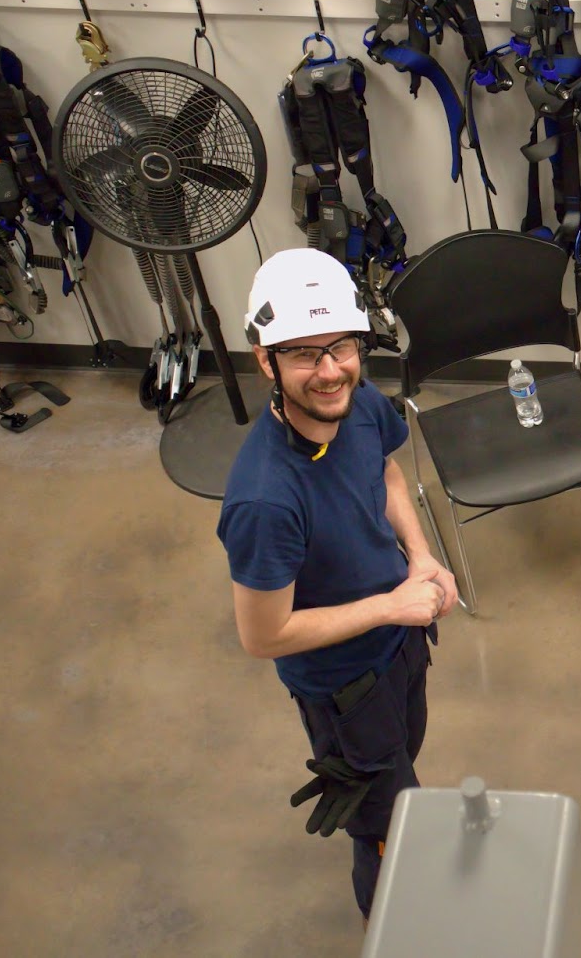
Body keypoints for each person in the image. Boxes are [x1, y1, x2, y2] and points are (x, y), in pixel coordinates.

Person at [216, 248, 459, 922]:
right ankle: (397, 924)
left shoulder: (358, 403)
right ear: (264, 360)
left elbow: (382, 471)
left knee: (401, 768)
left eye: (342, 347)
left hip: (401, 643)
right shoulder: (265, 500)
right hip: (347, 688)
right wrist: (392, 604)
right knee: (386, 826)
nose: (330, 371)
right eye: (303, 354)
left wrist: (420, 556)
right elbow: (263, 635)